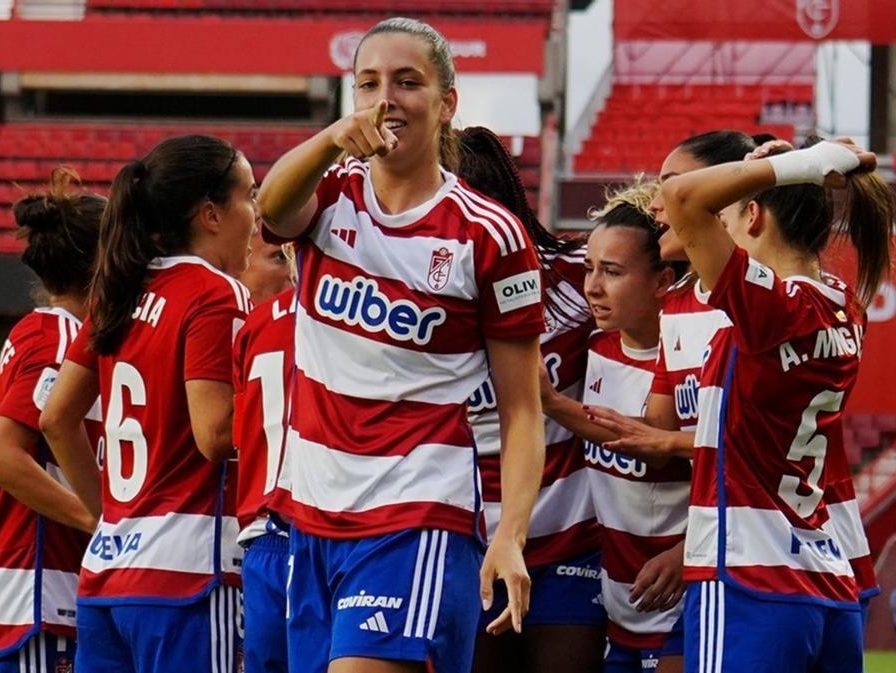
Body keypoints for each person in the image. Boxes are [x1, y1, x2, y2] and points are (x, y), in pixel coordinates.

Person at [256, 17, 547, 673]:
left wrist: (511, 530)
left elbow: (522, 408)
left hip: (418, 517)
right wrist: (333, 137)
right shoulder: (328, 194)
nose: (386, 98)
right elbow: (271, 210)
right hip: (314, 515)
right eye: (369, 83)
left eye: (407, 82)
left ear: (447, 102)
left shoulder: (490, 235)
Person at [659, 136, 896, 673]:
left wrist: (797, 165)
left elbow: (682, 198)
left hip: (750, 579)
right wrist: (772, 169)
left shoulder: (772, 308)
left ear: (753, 214)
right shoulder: (842, 303)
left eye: (729, 215)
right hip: (825, 583)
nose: (717, 226)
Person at [39, 135, 258, 673]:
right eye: (249, 196)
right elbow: (215, 434)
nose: (258, 215)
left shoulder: (121, 290)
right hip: (187, 574)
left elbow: (57, 418)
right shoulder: (215, 293)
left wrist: (106, 514)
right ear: (210, 213)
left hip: (108, 572)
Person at [456, 126, 604, 673]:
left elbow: (661, 255)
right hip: (469, 543)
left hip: (571, 541)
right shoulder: (419, 292)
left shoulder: (576, 275)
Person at [0, 167, 105, 673]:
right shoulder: (60, 339)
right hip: (35, 595)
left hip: (18, 592)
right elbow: (0, 455)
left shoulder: (45, 332)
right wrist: (95, 519)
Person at [574, 180, 690, 673]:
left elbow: (741, 465)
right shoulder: (595, 350)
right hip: (619, 609)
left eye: (613, 272)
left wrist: (687, 554)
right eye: (589, 269)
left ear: (662, 281)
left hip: (688, 602)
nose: (593, 287)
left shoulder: (692, 360)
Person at [233, 244, 296, 673]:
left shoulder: (251, 327)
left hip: (261, 537)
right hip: (321, 535)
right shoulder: (352, 318)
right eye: (273, 257)